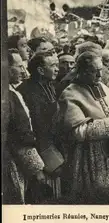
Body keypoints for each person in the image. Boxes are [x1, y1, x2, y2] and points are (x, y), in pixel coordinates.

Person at [58, 51, 109, 199]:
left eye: (100, 70)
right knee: (98, 198)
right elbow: (78, 132)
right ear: (82, 72)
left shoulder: (102, 86)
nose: (99, 75)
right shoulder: (70, 94)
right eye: (94, 72)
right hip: (91, 157)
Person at [17, 53, 63, 200]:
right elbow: (34, 126)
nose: (57, 69)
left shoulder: (50, 84)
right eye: (53, 66)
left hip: (52, 145)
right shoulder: (26, 90)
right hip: (38, 149)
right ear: (41, 71)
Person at [4, 50, 46, 204]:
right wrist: (37, 169)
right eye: (19, 67)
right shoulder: (10, 95)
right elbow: (22, 135)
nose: (24, 71)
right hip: (10, 161)